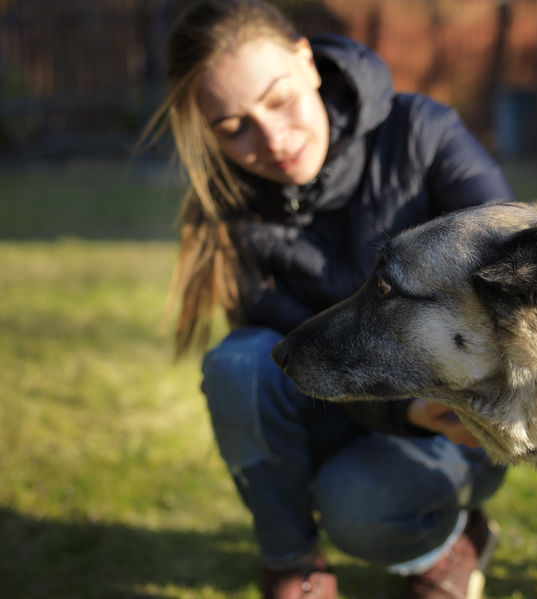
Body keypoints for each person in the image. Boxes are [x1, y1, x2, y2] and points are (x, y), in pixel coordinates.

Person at [143, 1, 514, 597]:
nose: (273, 139)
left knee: (359, 506)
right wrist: (397, 408)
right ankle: (293, 566)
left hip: (450, 414)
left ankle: (449, 543)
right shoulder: (227, 206)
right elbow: (280, 348)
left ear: (307, 62)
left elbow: (508, 273)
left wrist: (430, 402)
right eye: (234, 127)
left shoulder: (422, 133)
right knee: (238, 365)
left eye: (279, 99)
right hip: (338, 406)